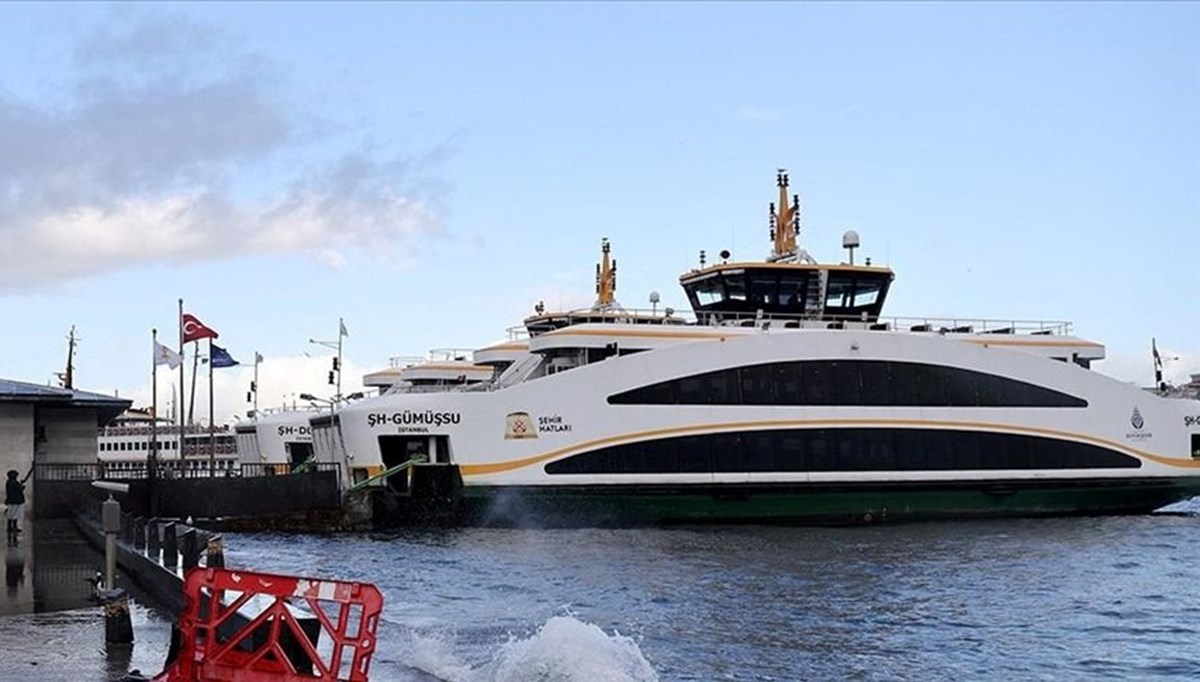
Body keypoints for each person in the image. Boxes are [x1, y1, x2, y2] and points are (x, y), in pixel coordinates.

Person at [5, 468, 32, 546]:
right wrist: (22, 486)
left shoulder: (8, 482)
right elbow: (21, 488)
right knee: (16, 515)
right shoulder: (14, 482)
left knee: (10, 514)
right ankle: (14, 527)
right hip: (17, 501)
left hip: (11, 500)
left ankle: (10, 527)